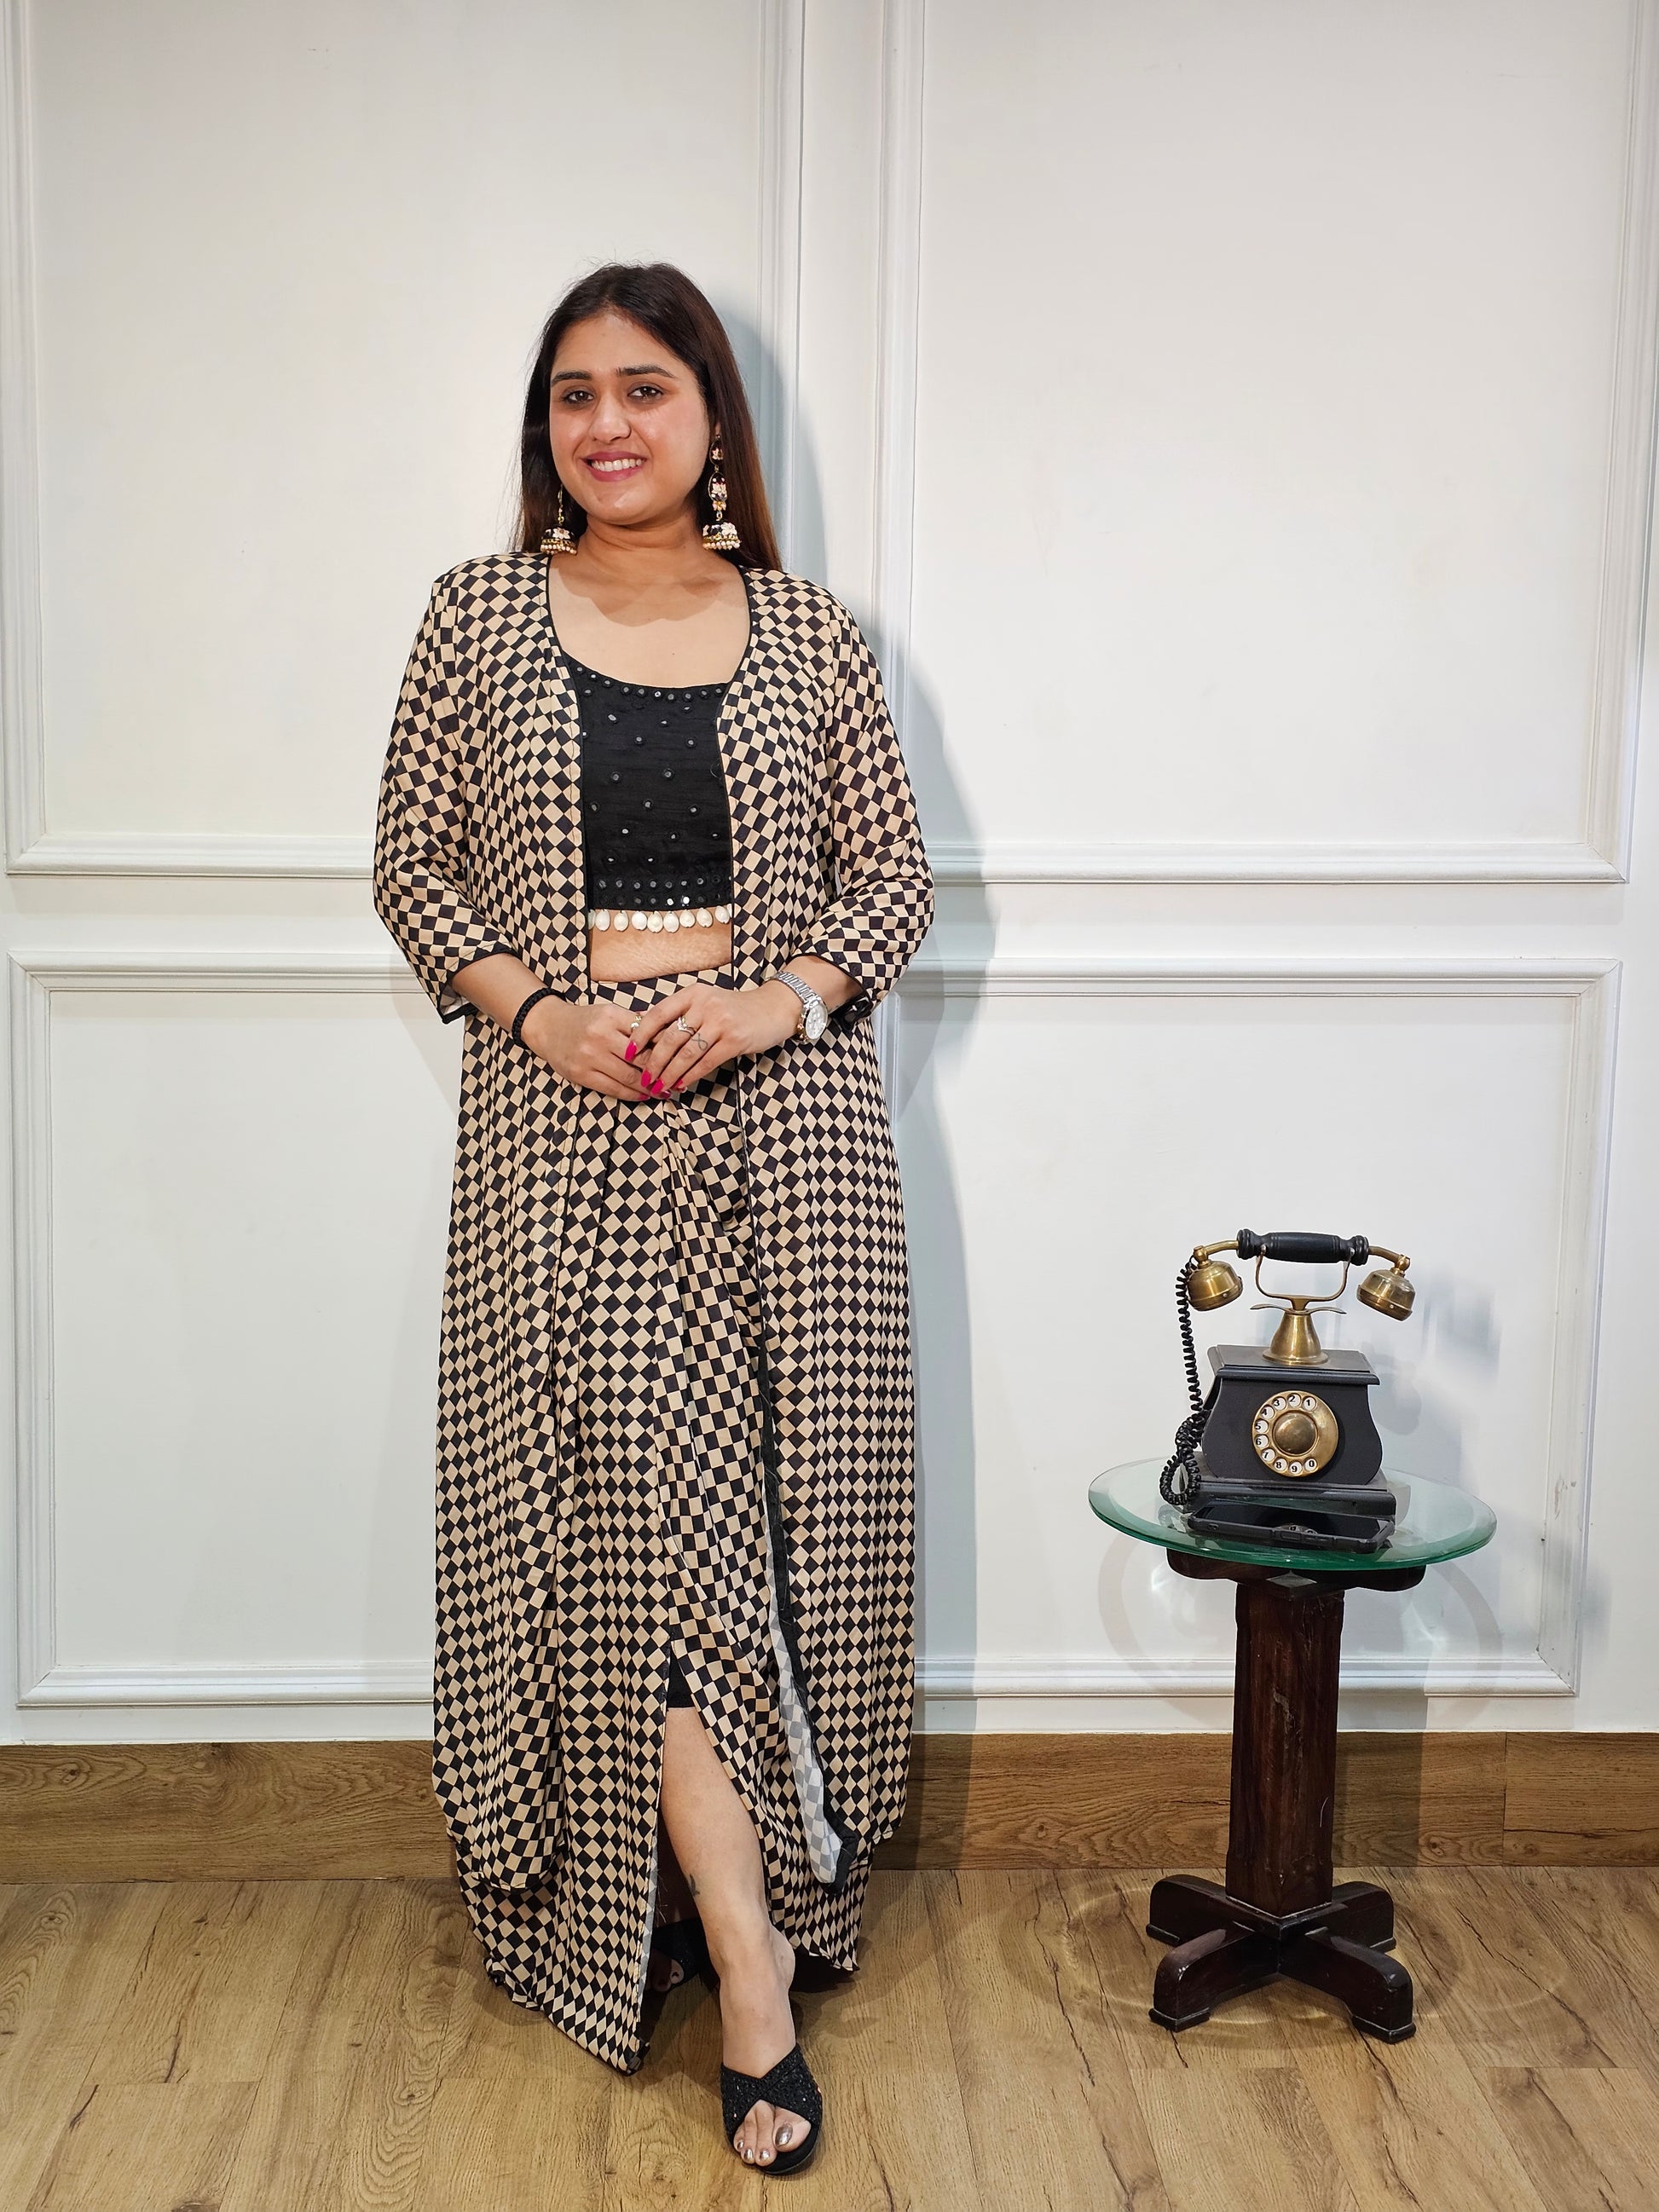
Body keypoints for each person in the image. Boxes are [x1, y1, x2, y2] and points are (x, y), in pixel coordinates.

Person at [372, 261, 934, 2174]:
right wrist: (539, 1012)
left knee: (780, 1519)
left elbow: (892, 880)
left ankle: (736, 1899)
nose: (604, 423)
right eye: (572, 393)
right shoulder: (473, 616)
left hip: (789, 1130)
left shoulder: (813, 634)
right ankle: (744, 1961)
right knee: (627, 1512)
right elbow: (412, 862)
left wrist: (773, 1003)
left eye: (643, 387)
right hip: (565, 1124)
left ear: (710, 420)